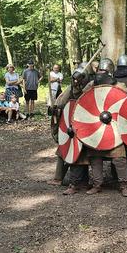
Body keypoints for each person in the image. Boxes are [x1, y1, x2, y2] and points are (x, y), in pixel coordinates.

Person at [83, 58, 127, 197]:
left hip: (114, 127)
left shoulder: (120, 86)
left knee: (119, 157)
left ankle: (123, 185)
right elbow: (82, 98)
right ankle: (97, 184)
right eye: (99, 70)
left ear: (110, 72)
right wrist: (77, 83)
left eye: (103, 71)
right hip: (95, 126)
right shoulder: (91, 84)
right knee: (94, 157)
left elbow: (125, 101)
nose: (100, 73)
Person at [51, 62, 93, 192]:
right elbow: (63, 103)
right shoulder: (72, 88)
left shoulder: (92, 86)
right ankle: (76, 182)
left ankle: (76, 184)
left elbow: (89, 103)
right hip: (73, 125)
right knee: (73, 152)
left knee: (79, 155)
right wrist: (56, 110)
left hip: (88, 125)